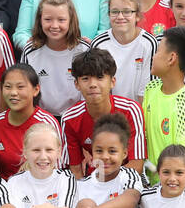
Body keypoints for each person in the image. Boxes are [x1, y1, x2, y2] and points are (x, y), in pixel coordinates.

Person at [60, 48, 145, 176]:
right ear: (76, 84)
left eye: (100, 77)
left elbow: (137, 165)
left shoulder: (131, 110)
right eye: (85, 78)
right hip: (93, 181)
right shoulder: (69, 118)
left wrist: (106, 187)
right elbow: (76, 170)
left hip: (128, 180)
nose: (93, 84)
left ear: (112, 82)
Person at [141, 26, 185, 186]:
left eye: (158, 52)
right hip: (148, 185)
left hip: (172, 189)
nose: (153, 57)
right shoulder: (151, 88)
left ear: (171, 59)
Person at [20, 0, 91, 118]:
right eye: (48, 19)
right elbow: (25, 90)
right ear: (39, 20)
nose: (54, 26)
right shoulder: (30, 51)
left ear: (71, 20)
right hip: (41, 119)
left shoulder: (84, 49)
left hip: (77, 118)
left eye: (61, 20)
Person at [91, 0, 158, 105]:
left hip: (139, 112)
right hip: (108, 113)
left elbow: (147, 91)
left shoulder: (149, 43)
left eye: (127, 11)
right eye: (115, 12)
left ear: (137, 15)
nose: (120, 17)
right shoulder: (99, 44)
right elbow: (97, 88)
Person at [0, 64, 60, 181]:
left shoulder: (47, 123)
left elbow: (58, 168)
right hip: (3, 192)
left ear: (36, 90)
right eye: (8, 87)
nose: (13, 92)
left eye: (20, 87)